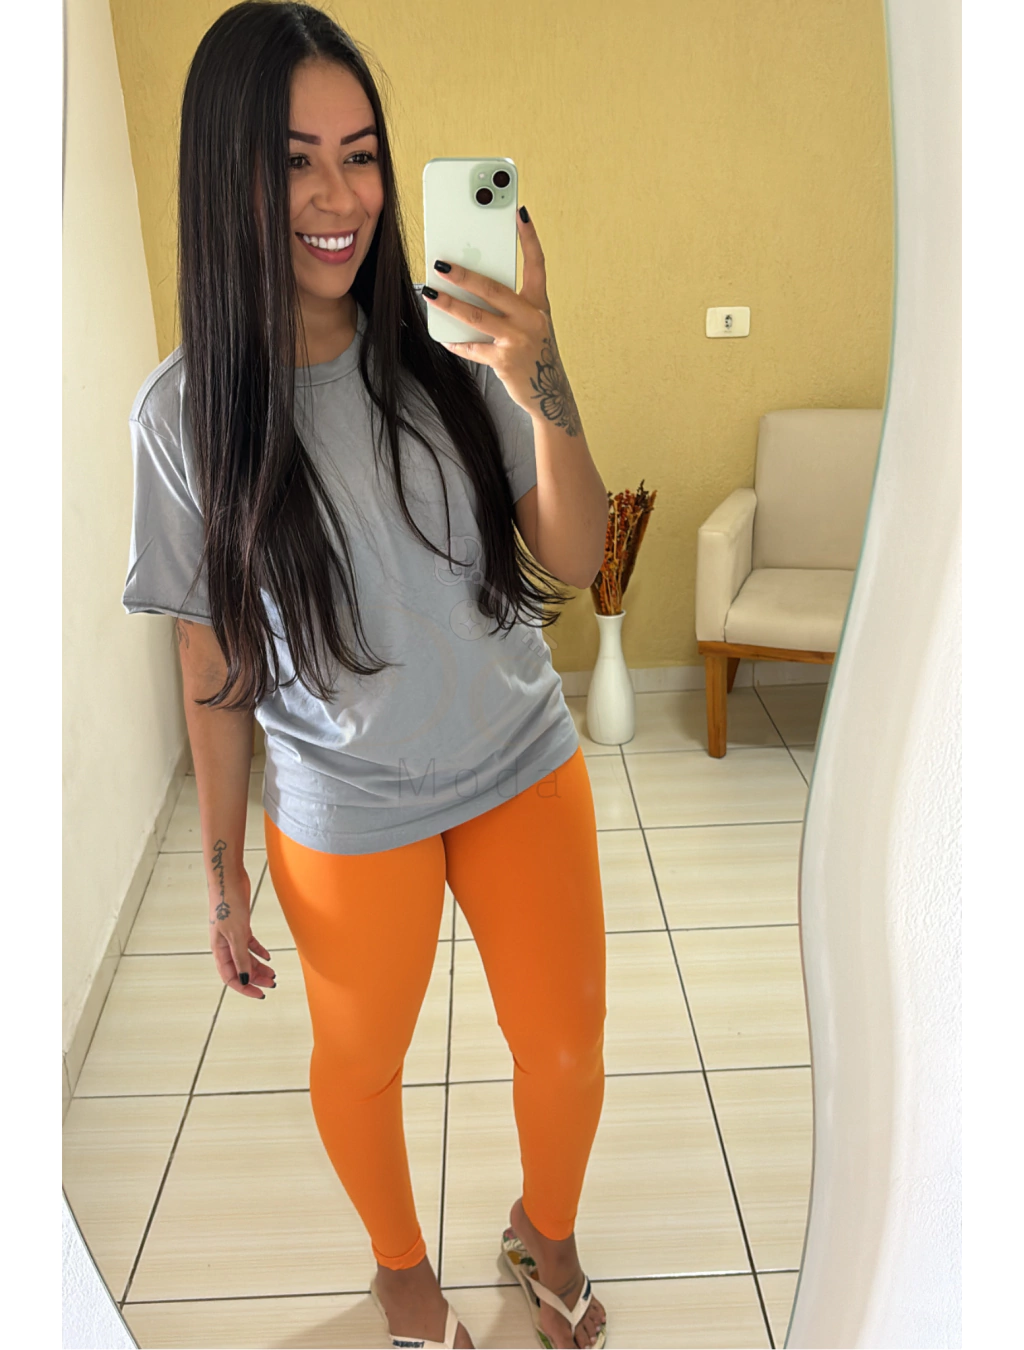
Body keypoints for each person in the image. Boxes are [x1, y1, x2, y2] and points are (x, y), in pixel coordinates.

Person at [122, 4, 610, 1347]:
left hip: (519, 755)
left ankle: (546, 1231)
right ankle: (402, 1270)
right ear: (226, 175)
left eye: (361, 155)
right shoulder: (183, 417)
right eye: (295, 162)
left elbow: (573, 552)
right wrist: (221, 867)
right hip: (347, 804)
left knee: (567, 1046)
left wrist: (542, 371)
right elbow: (209, 653)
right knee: (360, 1062)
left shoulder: (452, 341)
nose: (340, 200)